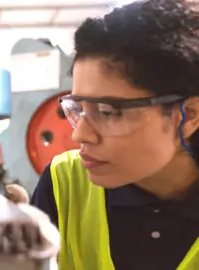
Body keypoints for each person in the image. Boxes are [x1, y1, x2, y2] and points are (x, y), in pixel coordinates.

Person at [30, 0, 199, 269]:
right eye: (79, 108)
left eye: (109, 112)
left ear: (188, 114)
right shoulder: (65, 184)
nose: (80, 135)